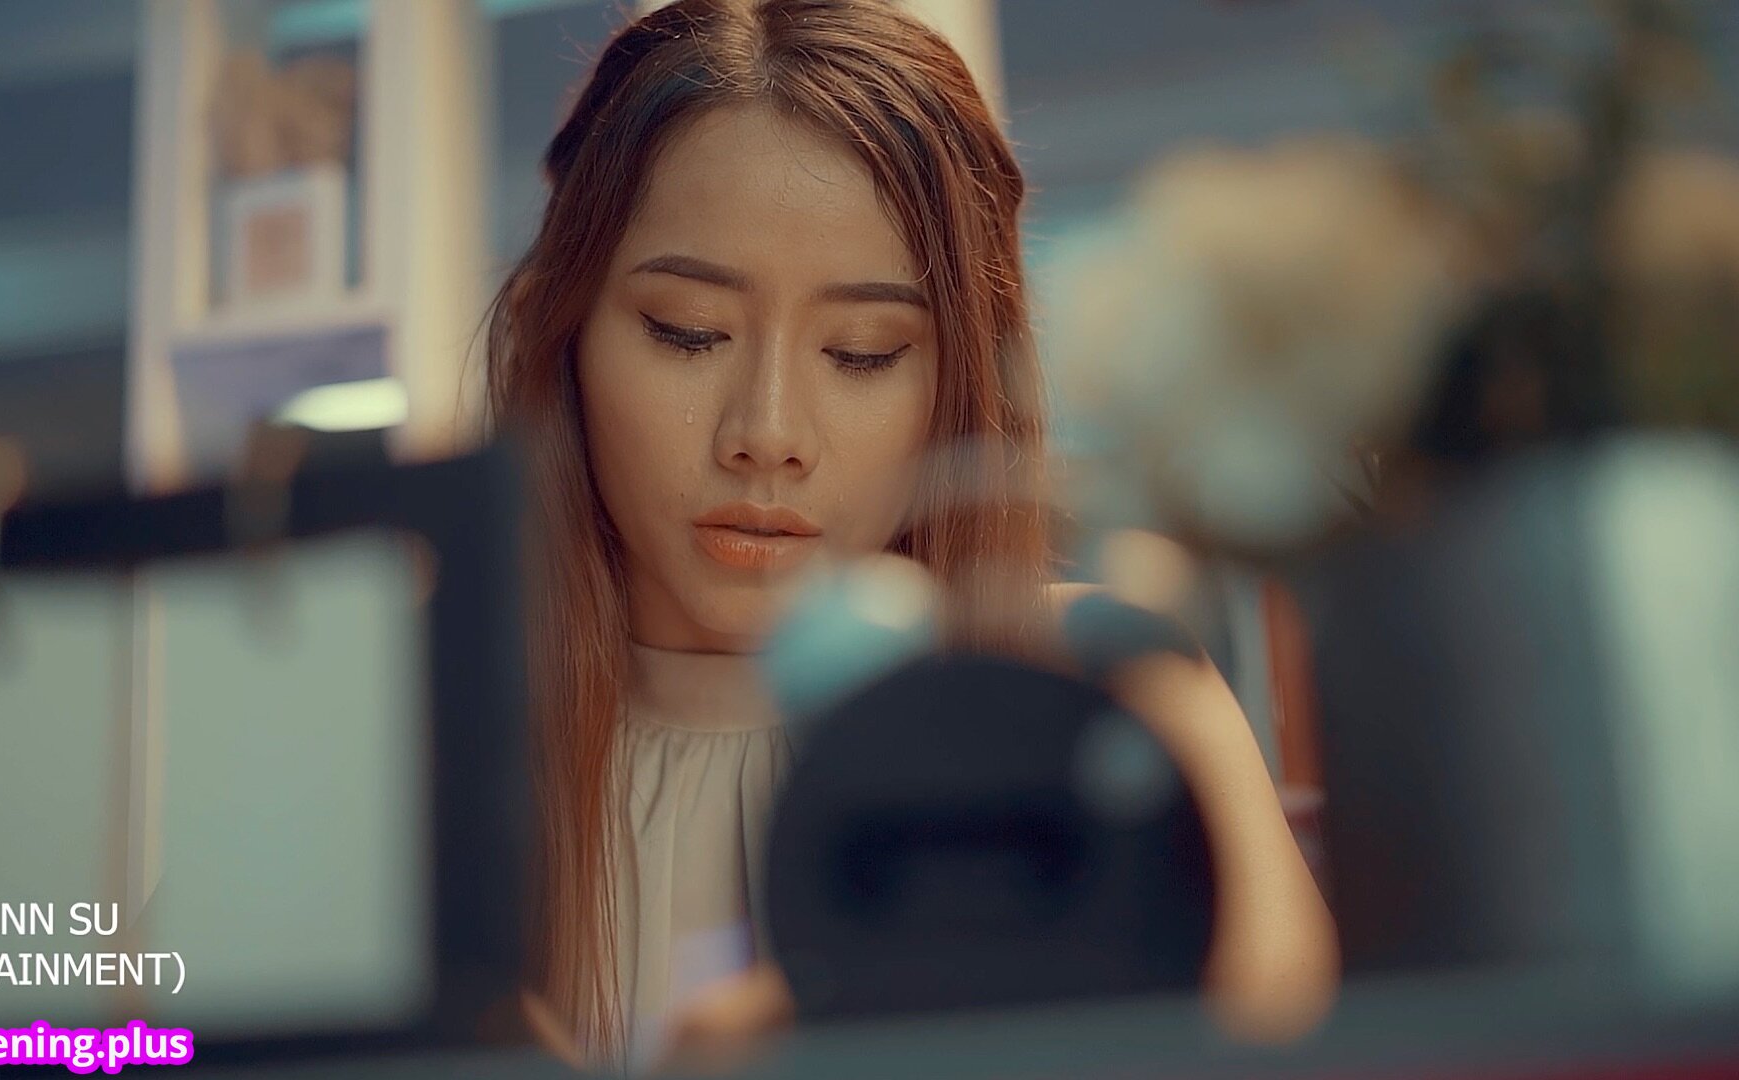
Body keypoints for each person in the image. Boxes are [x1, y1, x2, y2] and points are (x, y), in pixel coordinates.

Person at [484, 0, 1339, 1070]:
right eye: (688, 333)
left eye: (863, 351)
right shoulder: (433, 767)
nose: (768, 434)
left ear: (957, 377)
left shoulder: (1107, 697)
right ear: (564, 334)